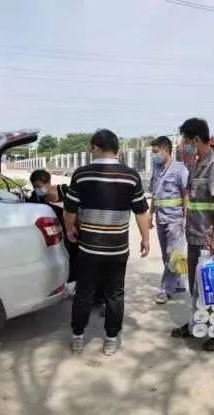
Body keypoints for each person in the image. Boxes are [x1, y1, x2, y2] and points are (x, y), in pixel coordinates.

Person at [64, 129, 150, 356]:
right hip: (117, 249)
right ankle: (111, 339)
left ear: (95, 147)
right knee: (115, 293)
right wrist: (146, 238)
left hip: (88, 248)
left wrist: (70, 229)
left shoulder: (81, 174)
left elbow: (70, 208)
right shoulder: (131, 176)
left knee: (84, 292)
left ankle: (78, 336)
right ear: (116, 149)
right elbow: (141, 212)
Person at [170, 118, 214, 352]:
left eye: (185, 141)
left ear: (196, 139)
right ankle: (196, 324)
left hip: (210, 239)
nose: (183, 145)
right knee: (197, 287)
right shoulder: (197, 164)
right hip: (195, 235)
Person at [148, 136, 189, 304]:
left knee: (173, 255)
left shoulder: (180, 169)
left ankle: (166, 290)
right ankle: (178, 283)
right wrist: (150, 213)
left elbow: (186, 195)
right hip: (161, 219)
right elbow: (155, 193)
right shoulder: (156, 169)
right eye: (153, 152)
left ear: (166, 150)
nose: (154, 155)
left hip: (175, 220)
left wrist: (186, 218)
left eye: (156, 152)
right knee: (167, 255)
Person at [28, 170, 79, 285]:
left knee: (76, 260)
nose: (37, 189)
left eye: (39, 186)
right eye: (34, 187)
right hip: (56, 236)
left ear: (48, 183)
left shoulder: (65, 191)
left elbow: (77, 208)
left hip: (72, 231)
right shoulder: (35, 199)